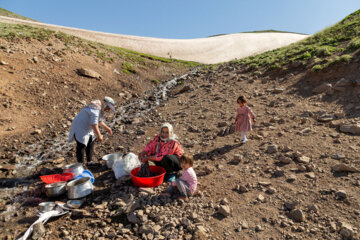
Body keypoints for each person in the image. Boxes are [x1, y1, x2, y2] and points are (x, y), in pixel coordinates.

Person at [68, 96, 116, 163]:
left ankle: (89, 162)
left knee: (91, 142)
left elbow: (99, 121)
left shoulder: (98, 109)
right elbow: (94, 124)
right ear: (105, 104)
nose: (108, 110)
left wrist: (107, 128)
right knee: (81, 145)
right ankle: (80, 164)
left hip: (87, 127)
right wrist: (99, 135)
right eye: (108, 107)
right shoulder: (95, 110)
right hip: (80, 127)